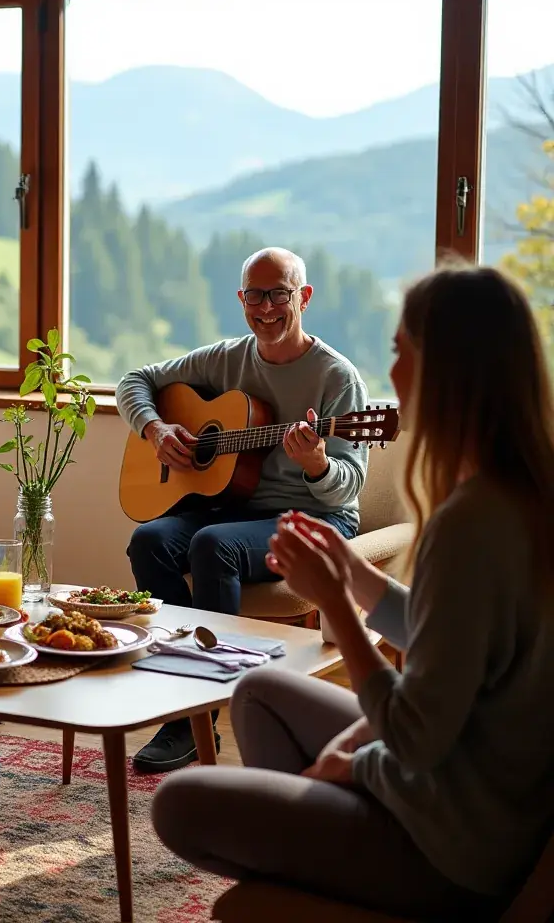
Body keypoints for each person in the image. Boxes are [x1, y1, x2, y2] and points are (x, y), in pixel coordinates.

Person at [151, 262, 554, 921]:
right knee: (257, 691)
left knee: (179, 804)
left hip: (452, 840)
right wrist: (353, 571)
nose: (392, 374)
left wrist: (335, 609)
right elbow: (438, 643)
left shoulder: (472, 524)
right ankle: (313, 867)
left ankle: (314, 876)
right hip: (463, 787)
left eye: (401, 351)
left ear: (446, 368)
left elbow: (415, 737)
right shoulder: (518, 495)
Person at [116, 246, 369, 772]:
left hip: (314, 515)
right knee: (150, 539)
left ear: (305, 296)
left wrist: (318, 465)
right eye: (255, 294)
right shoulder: (225, 358)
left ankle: (200, 710)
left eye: (280, 293)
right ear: (240, 298)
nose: (267, 306)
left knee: (214, 545)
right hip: (233, 507)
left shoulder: (337, 380)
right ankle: (180, 695)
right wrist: (154, 427)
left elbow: (348, 490)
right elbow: (134, 380)